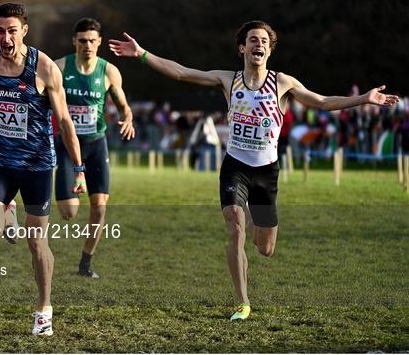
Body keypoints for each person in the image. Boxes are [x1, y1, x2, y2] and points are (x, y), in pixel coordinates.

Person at [109, 20, 399, 320]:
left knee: (265, 248)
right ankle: (242, 302)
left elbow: (323, 102)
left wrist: (364, 98)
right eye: (252, 40)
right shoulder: (228, 80)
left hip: (266, 172)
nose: (258, 44)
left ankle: (255, 217)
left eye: (263, 41)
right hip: (235, 166)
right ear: (242, 48)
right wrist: (142, 54)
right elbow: (182, 72)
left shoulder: (283, 83)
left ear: (269, 50)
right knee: (235, 227)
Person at [0, 3, 86, 336]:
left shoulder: (43, 69)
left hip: (37, 167)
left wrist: (79, 168)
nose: (6, 37)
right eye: (0, 30)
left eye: (12, 30)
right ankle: (7, 209)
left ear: (24, 31)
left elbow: (64, 122)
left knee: (36, 242)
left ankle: (44, 309)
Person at [54, 18, 135, 279]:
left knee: (99, 207)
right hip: (67, 144)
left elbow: (122, 102)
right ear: (74, 41)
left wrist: (128, 117)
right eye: (82, 41)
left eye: (92, 41)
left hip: (96, 143)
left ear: (99, 42)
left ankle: (85, 262)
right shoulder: (60, 67)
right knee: (68, 212)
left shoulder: (109, 71)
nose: (87, 45)